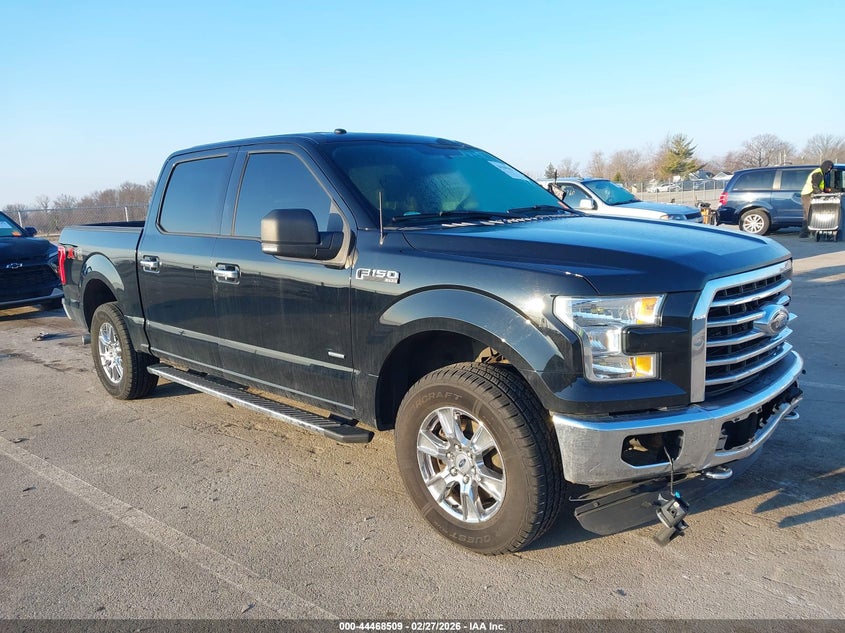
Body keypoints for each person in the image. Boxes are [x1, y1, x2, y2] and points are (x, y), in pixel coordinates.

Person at [799, 160, 834, 237]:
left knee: (809, 214)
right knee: (809, 214)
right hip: (808, 194)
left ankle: (808, 232)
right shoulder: (818, 173)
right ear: (825, 166)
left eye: (830, 168)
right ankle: (805, 233)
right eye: (828, 167)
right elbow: (814, 185)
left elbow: (820, 186)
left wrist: (828, 191)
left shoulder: (821, 173)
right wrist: (821, 193)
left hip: (809, 194)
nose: (829, 170)